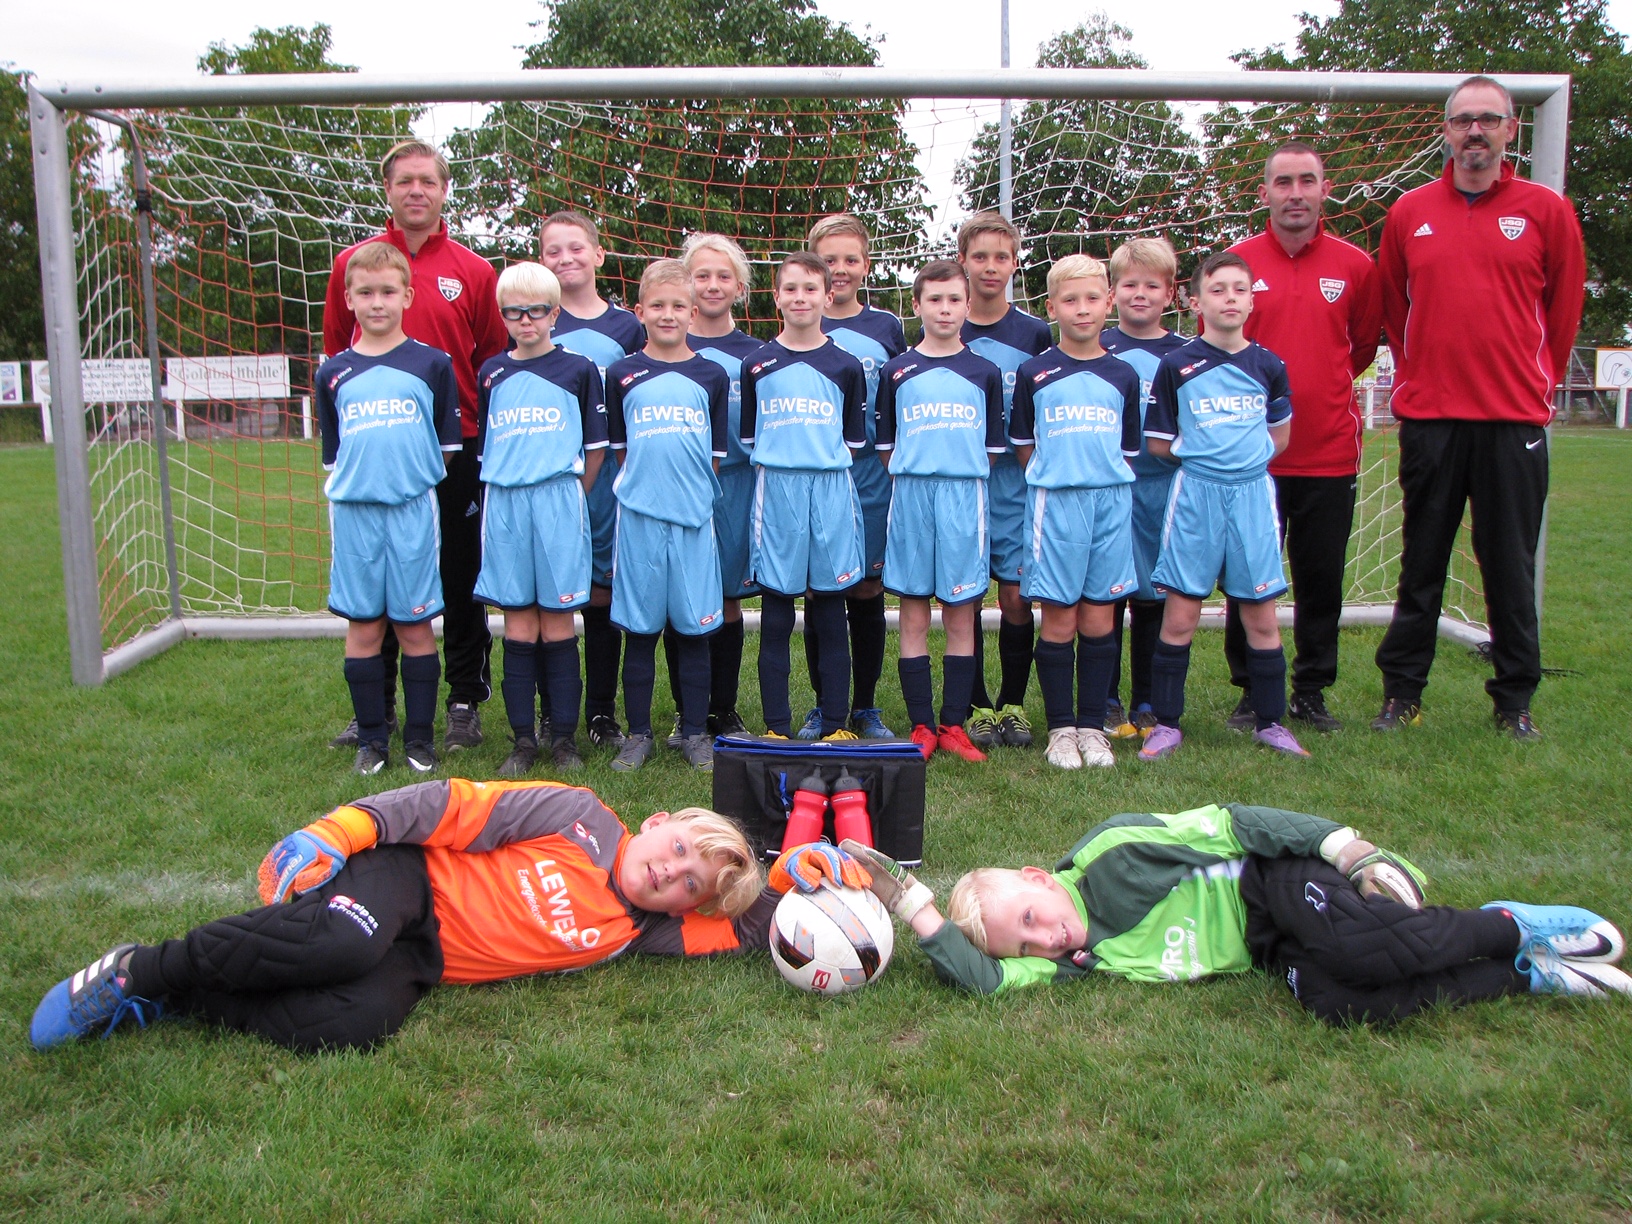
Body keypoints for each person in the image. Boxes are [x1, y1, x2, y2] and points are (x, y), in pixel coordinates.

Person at [29, 779, 870, 1054]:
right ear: (656, 824)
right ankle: (141, 969)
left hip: (425, 961)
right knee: (340, 938)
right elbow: (449, 804)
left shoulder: (641, 931)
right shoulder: (577, 816)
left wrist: (796, 874)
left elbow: (753, 924)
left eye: (688, 884)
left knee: (353, 1024)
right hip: (406, 880)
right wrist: (341, 830)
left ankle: (179, 1001)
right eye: (680, 849)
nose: (673, 873)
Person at [843, 811, 1631, 1023]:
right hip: (1269, 945)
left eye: (1032, 915)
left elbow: (1235, 821)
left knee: (1357, 949)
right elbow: (983, 981)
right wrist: (910, 904)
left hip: (1275, 883)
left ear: (1038, 878)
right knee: (1339, 1001)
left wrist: (1348, 849)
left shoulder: (1115, 855)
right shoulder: (1069, 963)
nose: (1047, 937)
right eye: (1028, 944)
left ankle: (1510, 925)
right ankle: (1525, 976)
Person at [1372, 75, 1586, 741]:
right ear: (1445, 130)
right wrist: (1422, 376)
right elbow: (1395, 308)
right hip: (1432, 420)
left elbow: (1563, 312)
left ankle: (1514, 700)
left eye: (1488, 119)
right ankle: (1402, 694)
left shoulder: (1546, 210)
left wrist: (1532, 382)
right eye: (1463, 119)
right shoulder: (1410, 211)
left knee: (1509, 566)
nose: (1475, 131)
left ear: (1510, 130)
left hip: (1512, 421)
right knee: (1421, 563)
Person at [323, 140, 508, 757]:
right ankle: (375, 710)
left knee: (459, 574)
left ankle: (463, 701)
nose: (416, 191)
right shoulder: (353, 265)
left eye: (427, 181)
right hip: (380, 451)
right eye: (404, 181)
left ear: (444, 189)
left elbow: (490, 362)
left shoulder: (473, 271)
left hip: (459, 446)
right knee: (378, 582)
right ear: (388, 189)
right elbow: (337, 353)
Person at [1221, 142, 1383, 735]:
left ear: (1324, 189)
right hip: (1250, 458)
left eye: (1306, 181)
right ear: (1264, 191)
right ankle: (1251, 690)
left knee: (1321, 580)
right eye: (1283, 182)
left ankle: (1312, 690)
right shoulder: (1237, 264)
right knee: (1248, 578)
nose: (1295, 193)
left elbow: (1360, 348)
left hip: (1328, 453)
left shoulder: (1355, 266)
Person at [1142, 252, 1307, 760]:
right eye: (1218, 290)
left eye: (1240, 289)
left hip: (1252, 496)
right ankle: (1166, 723)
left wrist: (1240, 463)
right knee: (1180, 614)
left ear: (1252, 301)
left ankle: (1271, 722)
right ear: (1196, 302)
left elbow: (1280, 437)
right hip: (1196, 495)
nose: (1229, 298)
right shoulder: (1176, 365)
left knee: (1261, 615)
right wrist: (1207, 460)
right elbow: (1158, 442)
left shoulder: (1268, 365)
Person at [316, 242, 462, 776]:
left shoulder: (432, 364)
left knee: (415, 625)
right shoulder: (333, 372)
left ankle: (420, 740)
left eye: (387, 291)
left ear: (407, 296)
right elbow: (334, 453)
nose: (376, 302)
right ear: (349, 300)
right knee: (364, 626)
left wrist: (407, 482)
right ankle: (372, 740)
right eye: (365, 292)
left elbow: (446, 447)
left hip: (411, 512)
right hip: (355, 513)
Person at [471, 262, 607, 777]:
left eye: (535, 311)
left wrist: (570, 496)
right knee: (519, 623)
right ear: (502, 316)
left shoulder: (578, 370)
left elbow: (595, 449)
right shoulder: (492, 372)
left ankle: (564, 739)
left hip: (558, 500)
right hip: (506, 503)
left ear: (554, 313)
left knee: (558, 621)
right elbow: (487, 448)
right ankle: (523, 740)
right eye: (513, 312)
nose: (525, 321)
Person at [1008, 255, 1143, 770]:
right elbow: (1025, 446)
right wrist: (1058, 476)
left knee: (1100, 616)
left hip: (1110, 503)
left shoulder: (1124, 374)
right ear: (1051, 308)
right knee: (1060, 616)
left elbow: (1128, 448)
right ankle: (1061, 729)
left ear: (1108, 302)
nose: (1082, 309)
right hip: (1055, 504)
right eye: (1070, 300)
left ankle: (1092, 728)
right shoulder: (1035, 372)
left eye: (1091, 298)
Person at [874, 259, 1006, 762]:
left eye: (954, 299)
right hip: (911, 496)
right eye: (934, 299)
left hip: (963, 497)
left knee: (960, 613)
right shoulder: (896, 371)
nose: (945, 309)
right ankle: (922, 725)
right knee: (912, 612)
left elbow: (992, 449)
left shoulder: (984, 372)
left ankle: (953, 724)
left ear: (968, 305)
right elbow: (886, 446)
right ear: (917, 305)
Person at [603, 260, 730, 772]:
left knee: (694, 631)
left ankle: (695, 732)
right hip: (639, 521)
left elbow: (714, 456)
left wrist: (686, 497)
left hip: (693, 520)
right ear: (640, 311)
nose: (668, 314)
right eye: (657, 305)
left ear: (693, 313)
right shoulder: (622, 373)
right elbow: (620, 452)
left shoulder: (711, 375)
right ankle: (638, 735)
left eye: (679, 306)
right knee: (640, 632)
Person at [739, 253, 869, 740]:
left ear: (828, 296)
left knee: (831, 608)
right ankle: (776, 727)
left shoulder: (846, 365)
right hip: (777, 488)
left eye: (810, 289)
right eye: (790, 289)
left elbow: (853, 440)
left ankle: (835, 723)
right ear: (776, 297)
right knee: (776, 612)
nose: (800, 298)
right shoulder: (757, 364)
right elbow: (750, 437)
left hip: (830, 487)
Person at [538, 211, 647, 751]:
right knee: (548, 597)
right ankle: (551, 714)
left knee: (603, 594)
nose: (566, 258)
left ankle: (602, 713)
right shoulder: (537, 321)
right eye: (553, 250)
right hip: (548, 482)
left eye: (576, 247)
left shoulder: (628, 328)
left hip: (608, 483)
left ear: (599, 255)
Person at [657, 233, 764, 743]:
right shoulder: (666, 349)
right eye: (702, 275)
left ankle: (723, 708)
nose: (713, 285)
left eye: (724, 276)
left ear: (740, 286)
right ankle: (687, 711)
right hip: (681, 490)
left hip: (737, 485)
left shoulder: (758, 355)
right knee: (681, 598)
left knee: (728, 599)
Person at [806, 214, 907, 740]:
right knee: (820, 591)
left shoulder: (886, 328)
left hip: (870, 476)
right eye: (829, 259)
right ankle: (823, 706)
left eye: (850, 259)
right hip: (817, 478)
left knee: (868, 589)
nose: (839, 269)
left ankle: (865, 707)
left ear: (866, 265)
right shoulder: (801, 320)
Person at [957, 211, 1054, 750]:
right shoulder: (946, 324)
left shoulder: (1034, 333)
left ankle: (1012, 704)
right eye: (980, 256)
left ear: (1016, 263)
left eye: (1001, 256)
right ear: (963, 262)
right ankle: (975, 706)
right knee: (966, 595)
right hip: (964, 484)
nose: (990, 266)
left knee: (1016, 596)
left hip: (1016, 484)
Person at [1100, 238, 1190, 740]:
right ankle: (1107, 700)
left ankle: (1148, 699)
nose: (1140, 294)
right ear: (1113, 293)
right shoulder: (1096, 347)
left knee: (1156, 594)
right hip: (1111, 489)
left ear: (1170, 293)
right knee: (1108, 592)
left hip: (1165, 488)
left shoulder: (1186, 354)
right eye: (1130, 284)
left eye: (1152, 286)